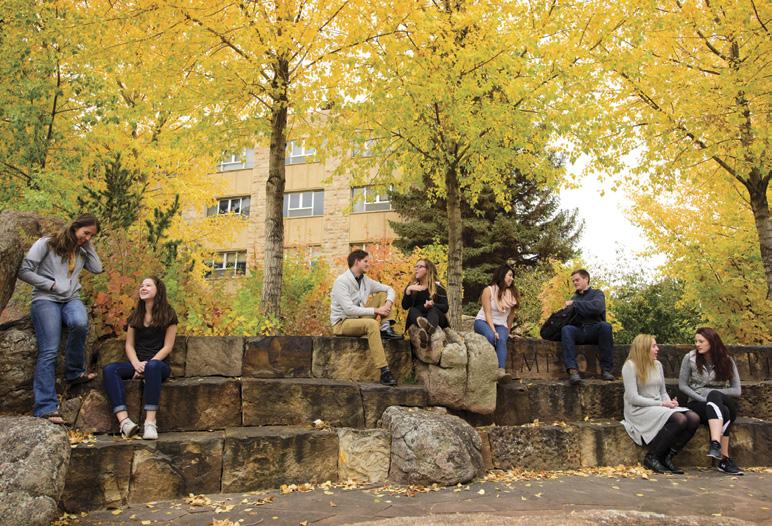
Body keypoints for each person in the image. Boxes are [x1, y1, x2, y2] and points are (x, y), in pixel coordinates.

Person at [18, 213, 103, 424]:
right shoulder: (47, 243)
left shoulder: (82, 251)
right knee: (49, 350)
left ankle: (74, 373)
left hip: (71, 299)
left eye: (92, 236)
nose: (87, 238)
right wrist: (51, 285)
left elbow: (97, 268)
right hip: (45, 299)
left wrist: (87, 243)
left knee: (79, 323)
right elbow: (24, 271)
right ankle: (45, 407)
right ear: (75, 227)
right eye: (86, 233)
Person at [103, 276, 178, 439]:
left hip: (159, 366)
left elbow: (168, 347)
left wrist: (148, 365)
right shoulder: (135, 316)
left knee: (153, 367)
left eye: (148, 285)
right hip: (138, 363)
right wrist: (137, 364)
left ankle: (150, 423)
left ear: (158, 290)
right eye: (142, 285)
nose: (143, 288)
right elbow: (129, 345)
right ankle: (125, 423)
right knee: (110, 370)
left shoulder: (169, 315)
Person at [622, 334, 700, 474]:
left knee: (693, 418)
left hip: (658, 406)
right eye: (654, 346)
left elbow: (663, 392)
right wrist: (661, 404)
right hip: (638, 409)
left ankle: (667, 457)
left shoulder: (657, 365)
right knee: (679, 419)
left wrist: (670, 403)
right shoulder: (630, 366)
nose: (657, 349)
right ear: (643, 348)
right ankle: (652, 457)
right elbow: (633, 398)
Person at [678, 327, 744, 475]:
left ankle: (715, 444)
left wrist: (713, 394)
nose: (697, 344)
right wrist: (704, 399)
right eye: (696, 341)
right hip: (698, 403)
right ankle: (724, 460)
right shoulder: (689, 358)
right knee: (724, 412)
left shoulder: (727, 360)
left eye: (701, 341)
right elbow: (682, 385)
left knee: (716, 397)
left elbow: (737, 390)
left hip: (722, 401)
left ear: (712, 342)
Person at [330, 249, 400, 386]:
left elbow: (389, 289)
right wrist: (376, 310)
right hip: (342, 322)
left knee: (383, 294)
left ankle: (385, 328)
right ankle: (384, 371)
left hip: (359, 318)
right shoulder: (341, 282)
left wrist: (388, 303)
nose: (369, 264)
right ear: (357, 262)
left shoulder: (365, 281)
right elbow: (349, 310)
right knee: (372, 324)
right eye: (366, 261)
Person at [560, 269, 614, 384]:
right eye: (573, 281)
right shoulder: (574, 297)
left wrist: (575, 305)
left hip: (595, 330)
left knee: (605, 326)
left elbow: (597, 308)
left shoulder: (597, 293)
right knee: (566, 329)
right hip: (579, 331)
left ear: (586, 279)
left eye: (577, 280)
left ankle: (606, 370)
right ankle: (573, 371)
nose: (575, 283)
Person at [473, 264, 519, 383]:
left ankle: (500, 372)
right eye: (510, 275)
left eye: (512, 276)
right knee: (491, 337)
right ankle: (488, 368)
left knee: (502, 340)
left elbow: (510, 317)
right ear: (502, 275)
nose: (512, 278)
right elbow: (487, 313)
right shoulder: (488, 290)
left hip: (501, 325)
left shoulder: (512, 295)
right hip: (483, 321)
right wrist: (494, 331)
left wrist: (507, 332)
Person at [402, 258, 449, 349]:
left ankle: (427, 329)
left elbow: (445, 307)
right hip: (419, 315)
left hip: (435, 316)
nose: (416, 269)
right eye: (416, 267)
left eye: (420, 267)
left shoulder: (437, 286)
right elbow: (405, 306)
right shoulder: (412, 285)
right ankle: (424, 328)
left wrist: (433, 304)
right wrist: (408, 290)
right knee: (412, 310)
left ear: (428, 270)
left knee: (432, 310)